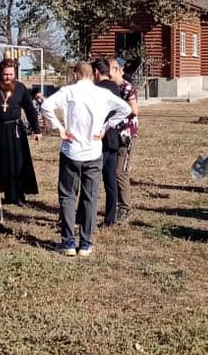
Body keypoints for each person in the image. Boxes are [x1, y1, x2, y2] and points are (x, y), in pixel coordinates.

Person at [41, 60, 131, 257]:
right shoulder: (103, 93)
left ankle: (68, 242)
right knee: (90, 197)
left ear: (75, 75)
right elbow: (125, 109)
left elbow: (46, 106)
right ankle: (86, 243)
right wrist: (106, 126)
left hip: (71, 151)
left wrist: (59, 128)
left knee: (68, 196)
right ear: (92, 75)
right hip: (93, 152)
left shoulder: (68, 91)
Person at [0, 58, 42, 207]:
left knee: (17, 163)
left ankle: (16, 195)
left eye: (11, 74)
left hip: (15, 131)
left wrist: (36, 129)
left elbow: (30, 109)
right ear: (0, 72)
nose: (8, 77)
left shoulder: (20, 88)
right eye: (5, 74)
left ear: (15, 74)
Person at [76, 58, 122, 227]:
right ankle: (110, 218)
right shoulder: (115, 88)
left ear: (95, 72)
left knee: (88, 179)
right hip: (113, 139)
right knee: (110, 182)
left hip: (98, 140)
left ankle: (82, 216)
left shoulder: (97, 90)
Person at [109, 57, 139, 223]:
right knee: (112, 171)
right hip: (113, 134)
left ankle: (125, 208)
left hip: (126, 135)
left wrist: (117, 109)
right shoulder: (110, 87)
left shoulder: (126, 87)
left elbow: (134, 110)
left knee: (120, 172)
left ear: (117, 70)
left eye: (109, 70)